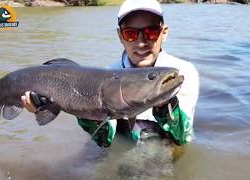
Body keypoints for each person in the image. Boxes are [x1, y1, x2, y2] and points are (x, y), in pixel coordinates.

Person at [21, 0, 199, 148]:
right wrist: (69, 106)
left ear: (164, 33)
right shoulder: (106, 75)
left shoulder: (181, 73)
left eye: (151, 32)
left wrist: (165, 103)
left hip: (163, 152)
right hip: (122, 151)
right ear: (120, 36)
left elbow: (181, 139)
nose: (141, 42)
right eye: (130, 34)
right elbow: (105, 141)